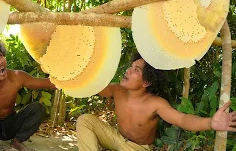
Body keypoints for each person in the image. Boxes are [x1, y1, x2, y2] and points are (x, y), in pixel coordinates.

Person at [76, 52, 236, 151]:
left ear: (146, 82)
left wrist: (211, 123)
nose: (128, 70)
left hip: (136, 148)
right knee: (85, 120)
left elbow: (182, 119)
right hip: (114, 138)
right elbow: (91, 85)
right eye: (131, 67)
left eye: (136, 70)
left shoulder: (155, 103)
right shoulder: (117, 89)